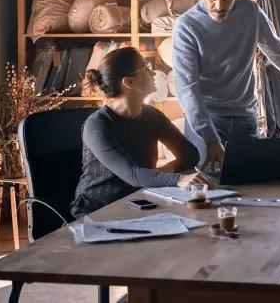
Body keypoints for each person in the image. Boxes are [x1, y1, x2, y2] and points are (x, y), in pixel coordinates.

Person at [173, 0, 280, 170]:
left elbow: (279, 53)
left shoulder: (251, 12)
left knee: (251, 181)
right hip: (206, 120)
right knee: (206, 185)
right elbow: (188, 91)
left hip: (244, 117)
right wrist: (210, 139)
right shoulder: (186, 27)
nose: (219, 7)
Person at [71, 47, 211, 219]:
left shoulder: (152, 115)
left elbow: (190, 155)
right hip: (97, 211)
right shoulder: (97, 125)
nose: (153, 72)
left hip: (140, 201)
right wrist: (178, 179)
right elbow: (133, 174)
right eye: (145, 68)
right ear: (129, 82)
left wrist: (161, 173)